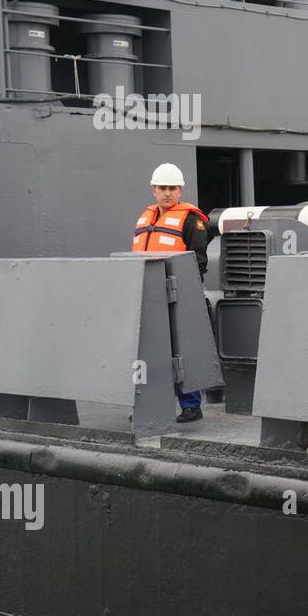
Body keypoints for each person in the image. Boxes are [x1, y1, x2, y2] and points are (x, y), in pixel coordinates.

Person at [132, 162, 209, 423]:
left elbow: (199, 261)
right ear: (154, 190)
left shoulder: (191, 220)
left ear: (181, 190)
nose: (167, 193)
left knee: (182, 349)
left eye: (172, 188)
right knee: (151, 351)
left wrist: (188, 295)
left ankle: (191, 405)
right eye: (162, 188)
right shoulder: (146, 219)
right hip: (149, 295)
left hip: (178, 296)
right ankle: (153, 402)